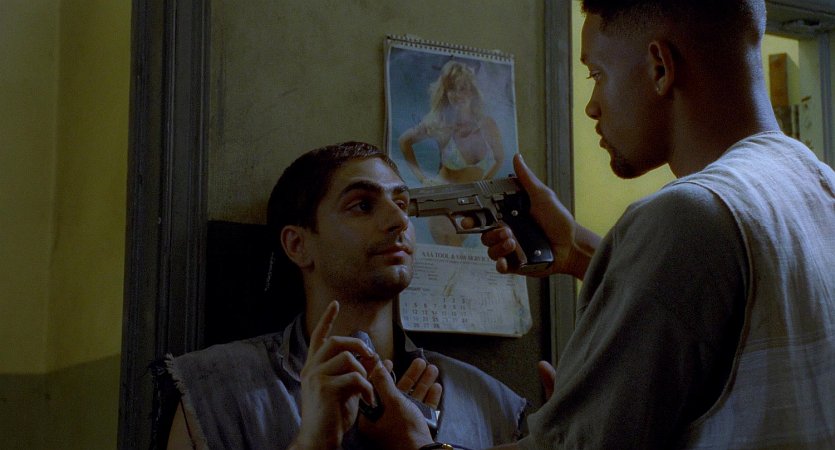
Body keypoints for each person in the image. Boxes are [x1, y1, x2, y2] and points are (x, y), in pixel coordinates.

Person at [360, 1, 835, 448]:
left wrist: (419, 446)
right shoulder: (820, 187)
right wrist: (576, 250)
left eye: (597, 74)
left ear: (660, 67)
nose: (591, 105)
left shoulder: (687, 216)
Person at [163, 142, 528, 449]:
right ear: (298, 245)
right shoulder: (215, 391)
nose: (400, 221)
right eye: (363, 206)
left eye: (402, 204)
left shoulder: (491, 405)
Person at [399, 60, 506, 246]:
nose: (457, 94)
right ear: (445, 92)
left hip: (474, 203)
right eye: (452, 89)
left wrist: (482, 187)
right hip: (443, 201)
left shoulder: (487, 124)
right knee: (450, 252)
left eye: (463, 88)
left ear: (472, 92)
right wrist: (423, 179)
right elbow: (404, 141)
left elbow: (499, 159)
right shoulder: (440, 124)